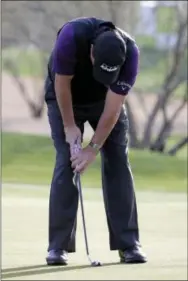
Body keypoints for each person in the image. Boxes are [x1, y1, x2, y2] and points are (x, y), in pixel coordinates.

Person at [44, 17, 147, 266]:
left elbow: (113, 108)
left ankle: (129, 244)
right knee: (67, 161)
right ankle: (58, 247)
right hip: (66, 100)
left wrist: (93, 148)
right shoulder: (71, 37)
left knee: (118, 162)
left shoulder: (131, 53)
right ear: (92, 51)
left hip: (104, 103)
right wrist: (70, 127)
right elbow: (62, 85)